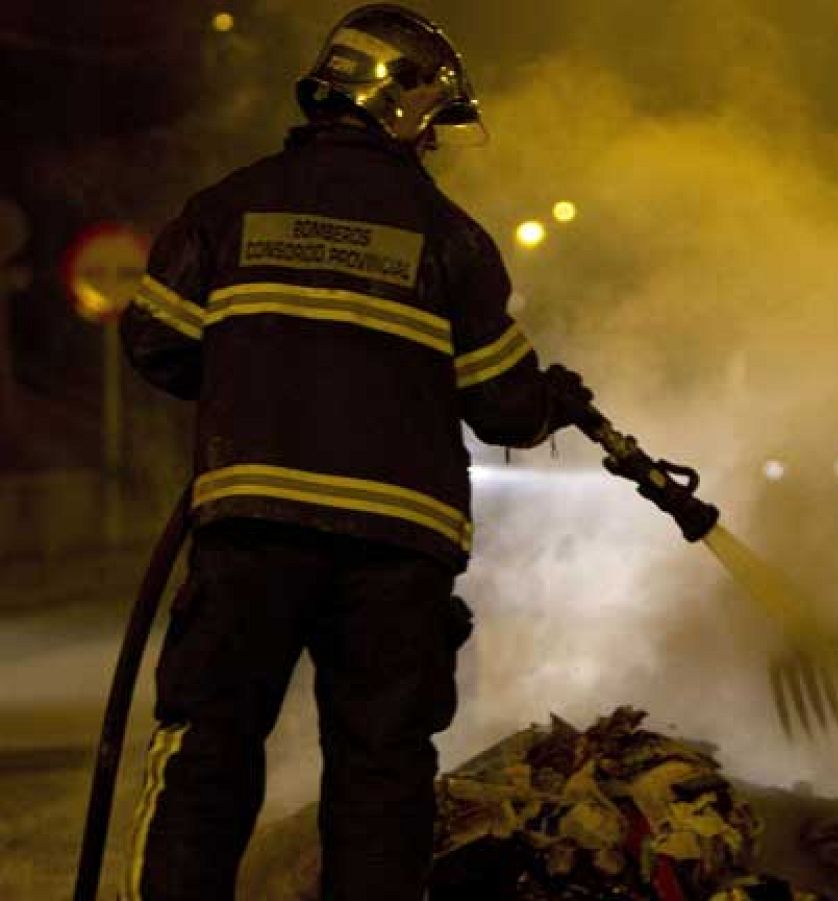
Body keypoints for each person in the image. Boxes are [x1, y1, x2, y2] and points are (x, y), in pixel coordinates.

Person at [117, 6, 593, 898]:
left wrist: (262, 383)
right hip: (394, 558)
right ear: (402, 106)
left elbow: (155, 342)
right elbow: (504, 406)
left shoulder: (227, 208)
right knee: (381, 773)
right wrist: (554, 399)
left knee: (208, 749)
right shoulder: (450, 240)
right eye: (436, 124)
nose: (437, 146)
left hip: (250, 535)